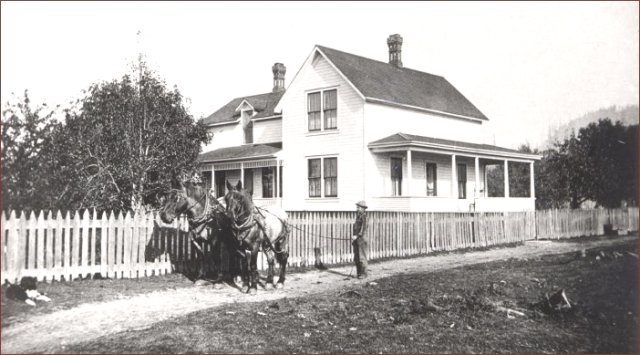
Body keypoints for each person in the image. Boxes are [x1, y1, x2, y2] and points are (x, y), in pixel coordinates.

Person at [352, 200, 369, 279]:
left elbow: (363, 228)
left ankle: (364, 274)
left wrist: (357, 236)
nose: (357, 208)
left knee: (362, 257)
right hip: (357, 239)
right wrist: (354, 236)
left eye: (358, 207)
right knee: (357, 258)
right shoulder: (358, 216)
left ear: (362, 208)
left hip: (362, 239)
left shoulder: (364, 216)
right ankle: (359, 273)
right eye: (357, 207)